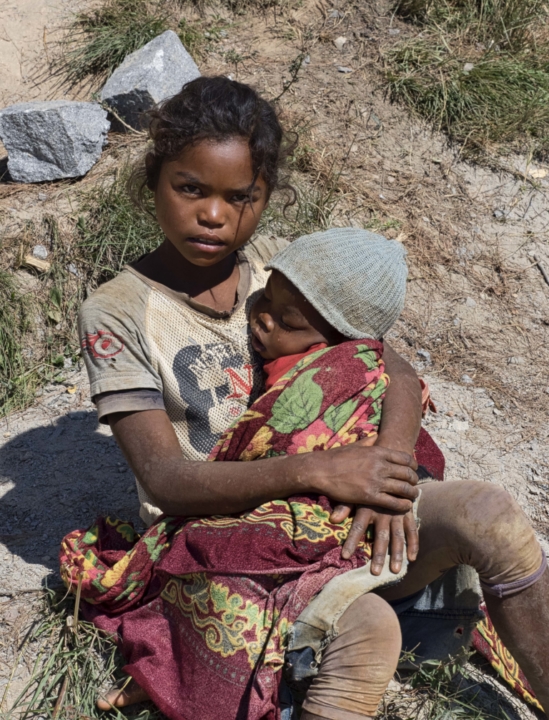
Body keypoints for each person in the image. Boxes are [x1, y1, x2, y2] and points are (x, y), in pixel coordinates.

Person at [75, 76, 548, 718]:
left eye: (240, 197)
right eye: (190, 189)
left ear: (266, 197)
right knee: (369, 631)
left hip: (344, 507)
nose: (214, 215)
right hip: (226, 544)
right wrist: (318, 469)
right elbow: (165, 480)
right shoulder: (118, 312)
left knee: (487, 513)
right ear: (153, 181)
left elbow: (390, 367)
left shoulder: (280, 266)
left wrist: (388, 476)